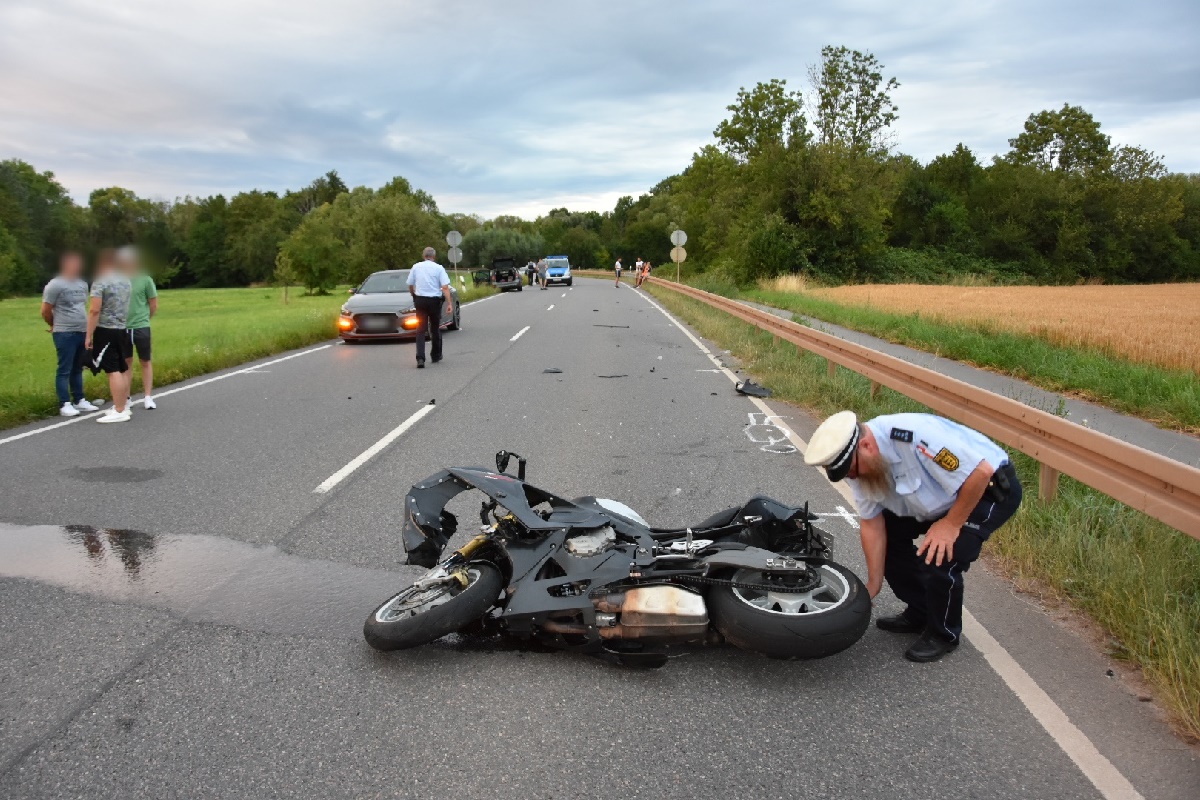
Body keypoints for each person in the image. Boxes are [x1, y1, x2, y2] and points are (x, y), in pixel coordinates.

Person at [804, 411, 1022, 662]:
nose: (851, 477)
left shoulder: (915, 437)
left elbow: (980, 473)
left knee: (940, 556)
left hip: (985, 491)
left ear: (865, 446)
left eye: (851, 471)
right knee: (891, 541)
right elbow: (872, 524)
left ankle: (944, 634)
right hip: (937, 498)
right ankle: (922, 611)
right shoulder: (859, 461)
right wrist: (872, 585)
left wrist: (951, 524)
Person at [41, 251, 102, 417]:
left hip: (82, 331)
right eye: (75, 264)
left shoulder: (82, 284)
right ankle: (64, 403)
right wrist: (54, 325)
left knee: (78, 367)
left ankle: (80, 399)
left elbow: (84, 306)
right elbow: (45, 310)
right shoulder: (55, 285)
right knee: (64, 369)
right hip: (64, 332)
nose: (78, 267)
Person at [85, 249, 134, 423]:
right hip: (122, 328)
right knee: (121, 368)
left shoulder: (101, 282)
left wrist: (89, 334)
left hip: (106, 329)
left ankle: (120, 410)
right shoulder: (126, 280)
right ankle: (122, 405)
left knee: (112, 370)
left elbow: (94, 309)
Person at [121, 247, 158, 409]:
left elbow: (153, 304)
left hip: (141, 326)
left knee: (145, 361)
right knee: (126, 362)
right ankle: (126, 397)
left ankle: (148, 396)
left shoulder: (145, 279)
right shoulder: (119, 280)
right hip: (122, 327)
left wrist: (145, 319)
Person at [406, 246, 454, 368]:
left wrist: (413, 294)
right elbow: (445, 287)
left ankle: (420, 358)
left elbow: (410, 284)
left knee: (420, 330)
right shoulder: (439, 268)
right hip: (434, 301)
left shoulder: (416, 267)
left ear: (424, 256)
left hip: (420, 300)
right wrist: (449, 303)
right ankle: (436, 354)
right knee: (435, 328)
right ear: (434, 256)